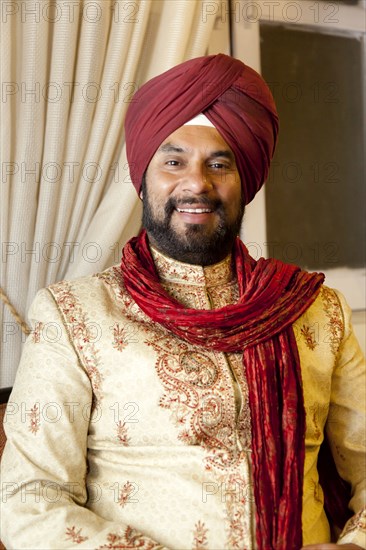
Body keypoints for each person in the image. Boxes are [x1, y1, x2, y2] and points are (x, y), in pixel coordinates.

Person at [1, 54, 365, 550]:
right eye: (174, 162)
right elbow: (29, 499)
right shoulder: (75, 314)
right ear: (143, 176)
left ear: (246, 181)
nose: (197, 183)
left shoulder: (314, 310)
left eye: (220, 164)